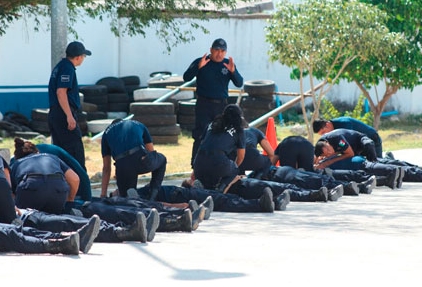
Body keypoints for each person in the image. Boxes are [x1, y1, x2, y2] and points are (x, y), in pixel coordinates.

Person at [183, 38, 244, 167]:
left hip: (221, 106)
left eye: (222, 51)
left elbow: (239, 83)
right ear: (211, 50)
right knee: (201, 134)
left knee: (224, 134)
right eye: (217, 50)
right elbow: (186, 77)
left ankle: (225, 165)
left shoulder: (228, 64)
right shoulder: (202, 61)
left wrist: (233, 71)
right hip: (204, 104)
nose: (219, 54)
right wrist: (198, 68)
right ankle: (196, 166)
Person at [48, 41, 91, 171]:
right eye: (83, 56)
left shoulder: (60, 66)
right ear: (78, 57)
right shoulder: (67, 68)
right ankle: (81, 187)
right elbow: (61, 92)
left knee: (62, 154)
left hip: (55, 113)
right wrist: (69, 116)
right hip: (63, 114)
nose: (83, 59)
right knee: (75, 153)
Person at [101, 119, 167, 199]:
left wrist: (103, 195)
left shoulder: (106, 133)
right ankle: (152, 195)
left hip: (122, 166)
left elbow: (106, 168)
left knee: (126, 199)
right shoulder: (138, 124)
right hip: (140, 158)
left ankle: (131, 199)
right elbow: (151, 152)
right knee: (162, 160)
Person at [11, 138, 80, 214]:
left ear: (17, 157)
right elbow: (74, 179)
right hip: (58, 188)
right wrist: (70, 200)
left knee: (25, 218)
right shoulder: (52, 157)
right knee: (56, 218)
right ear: (37, 152)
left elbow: (11, 192)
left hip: (30, 188)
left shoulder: (17, 164)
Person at [193, 104, 246, 193]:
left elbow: (202, 144)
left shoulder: (212, 124)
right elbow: (241, 156)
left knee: (211, 175)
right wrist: (231, 169)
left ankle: (201, 188)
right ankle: (220, 190)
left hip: (198, 163)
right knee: (234, 168)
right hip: (218, 162)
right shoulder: (238, 130)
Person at [313, 117, 383, 158]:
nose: (325, 135)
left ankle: (390, 159)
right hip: (360, 145)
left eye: (323, 132)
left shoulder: (344, 124)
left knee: (379, 162)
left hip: (371, 138)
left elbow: (347, 146)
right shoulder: (333, 132)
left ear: (327, 125)